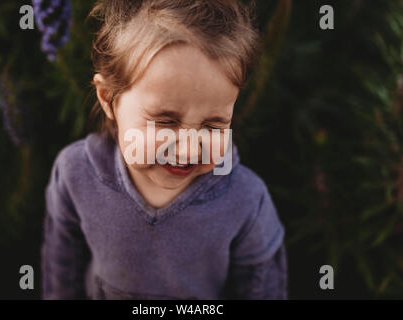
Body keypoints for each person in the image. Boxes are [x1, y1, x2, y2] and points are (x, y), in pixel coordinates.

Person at [41, 0, 287, 300]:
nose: (186, 152)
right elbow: (62, 268)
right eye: (166, 121)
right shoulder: (76, 173)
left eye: (213, 125)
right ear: (108, 98)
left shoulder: (245, 199)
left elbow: (260, 287)